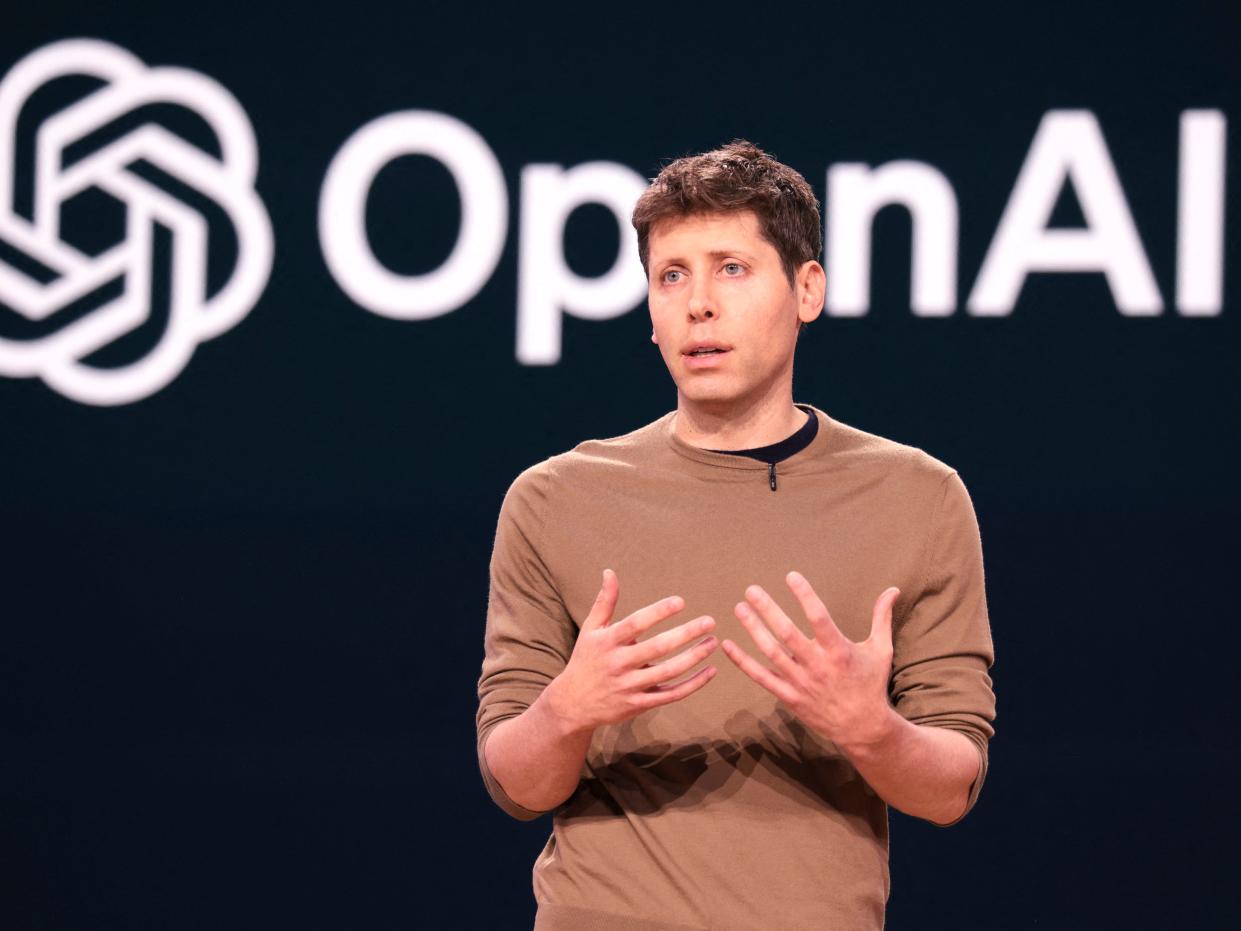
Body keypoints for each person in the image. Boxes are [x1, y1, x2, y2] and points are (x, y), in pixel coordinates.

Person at [476, 140, 996, 931]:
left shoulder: (917, 497)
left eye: (731, 267)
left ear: (807, 289)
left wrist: (870, 729)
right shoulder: (555, 498)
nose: (697, 304)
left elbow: (950, 787)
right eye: (670, 275)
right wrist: (568, 711)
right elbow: (516, 785)